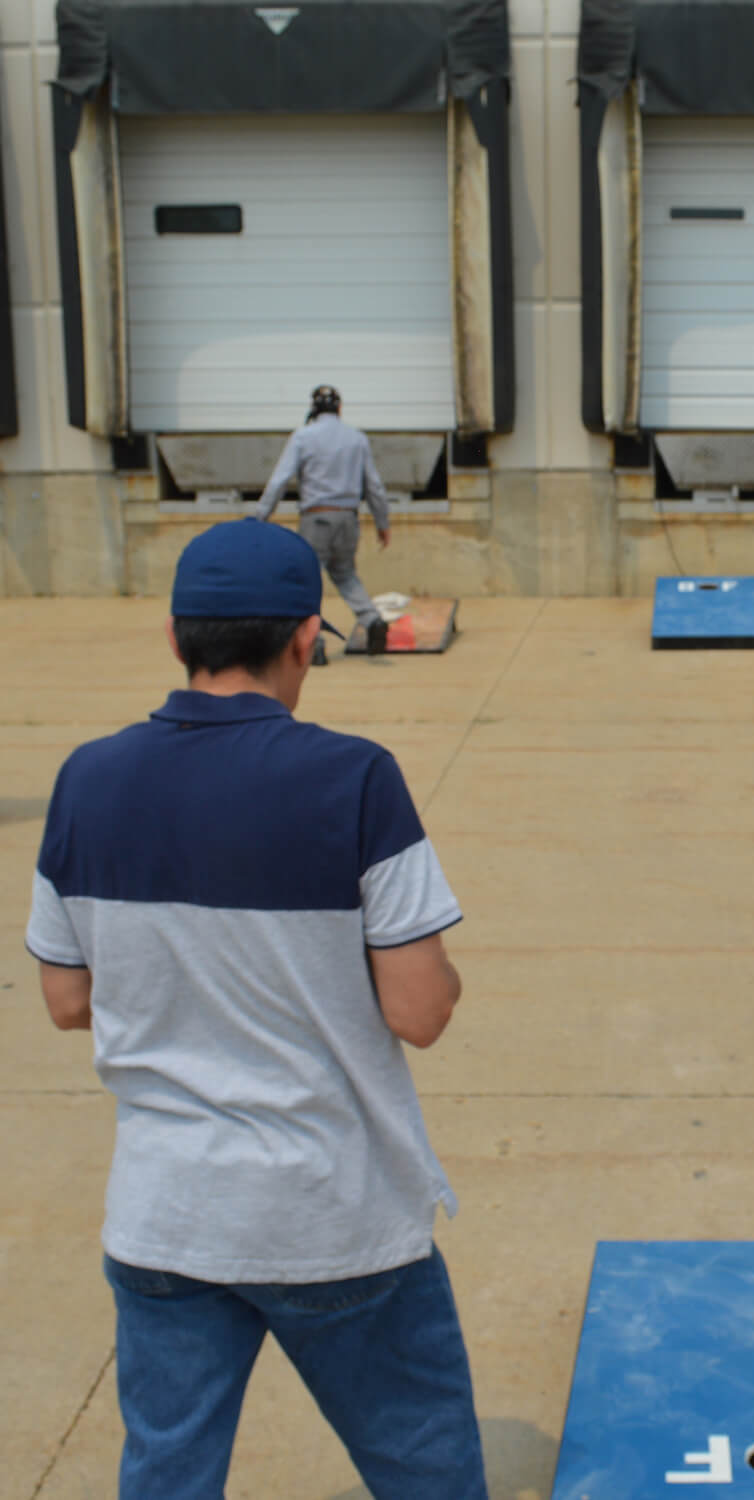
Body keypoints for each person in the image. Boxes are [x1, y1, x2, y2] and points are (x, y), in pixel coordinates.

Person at [25, 519, 487, 1500]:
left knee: (168, 1472)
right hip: (334, 1211)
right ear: (304, 640)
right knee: (424, 1466)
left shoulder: (85, 781)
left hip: (165, 1215)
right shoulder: (353, 778)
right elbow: (422, 1011)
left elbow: (67, 999)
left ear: (173, 637)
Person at [255, 383, 392, 660]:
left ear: (313, 409)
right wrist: (382, 522)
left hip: (316, 517)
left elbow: (280, 480)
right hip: (348, 518)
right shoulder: (357, 438)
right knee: (345, 573)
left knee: (308, 578)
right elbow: (374, 486)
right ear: (339, 408)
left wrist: (260, 517)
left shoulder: (303, 437)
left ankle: (314, 644)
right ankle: (372, 619)